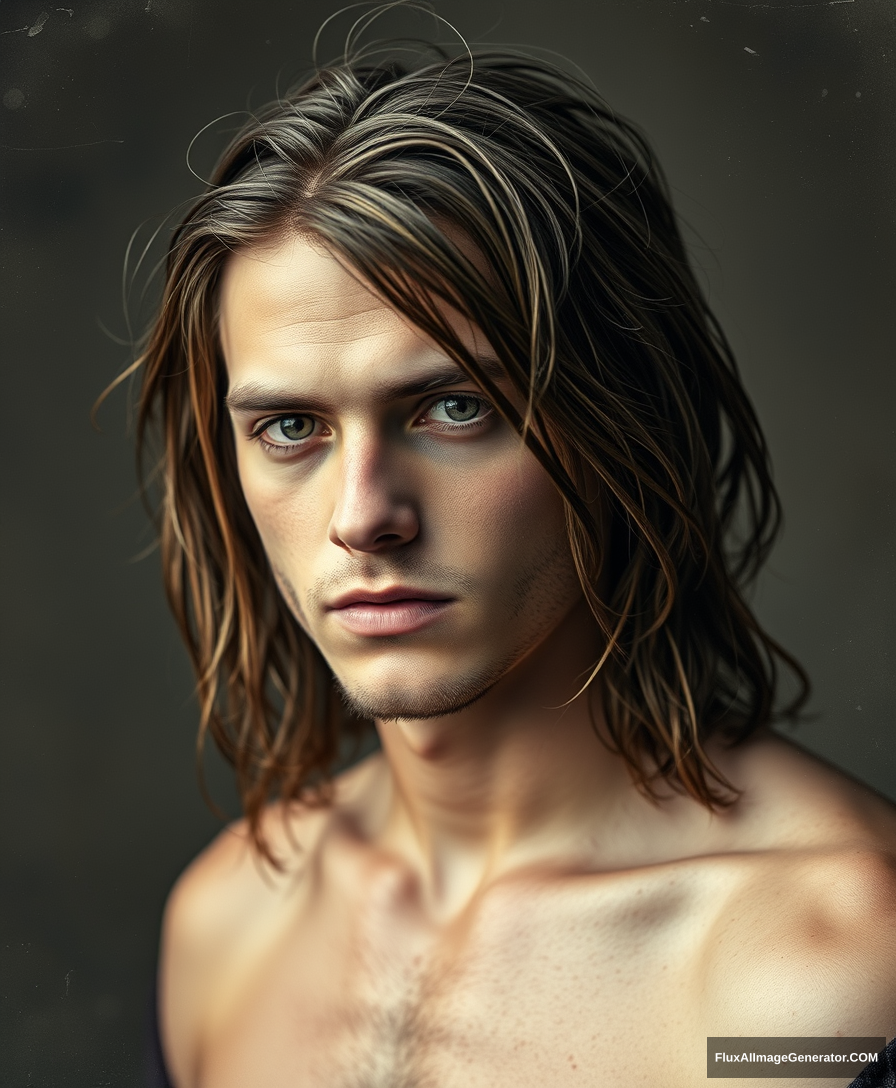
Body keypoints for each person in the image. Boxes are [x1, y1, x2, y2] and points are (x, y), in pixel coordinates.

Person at [123, 37, 896, 1088]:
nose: (364, 517)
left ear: (621, 422)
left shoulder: (817, 971)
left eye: (454, 407)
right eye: (293, 426)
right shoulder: (226, 924)